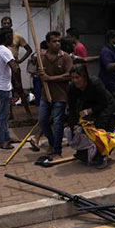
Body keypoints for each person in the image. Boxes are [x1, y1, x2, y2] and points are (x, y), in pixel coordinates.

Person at [0, 0, 33, 119]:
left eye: (8, 22)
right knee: (6, 89)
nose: (6, 24)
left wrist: (20, 60)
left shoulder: (17, 36)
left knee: (19, 88)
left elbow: (29, 50)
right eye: (4, 22)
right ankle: (9, 114)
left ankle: (28, 112)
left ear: (11, 24)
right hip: (1, 67)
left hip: (13, 66)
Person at [67, 64, 115, 168]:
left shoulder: (95, 83)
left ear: (84, 77)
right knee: (83, 128)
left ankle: (102, 155)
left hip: (105, 105)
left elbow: (104, 103)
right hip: (88, 105)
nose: (75, 80)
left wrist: (90, 111)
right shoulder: (72, 88)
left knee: (100, 128)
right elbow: (71, 109)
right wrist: (74, 125)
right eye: (72, 78)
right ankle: (85, 153)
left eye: (77, 77)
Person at [38, 31, 73, 159]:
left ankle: (57, 151)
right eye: (54, 41)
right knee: (42, 121)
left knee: (58, 122)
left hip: (61, 95)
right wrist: (40, 74)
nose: (57, 43)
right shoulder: (42, 58)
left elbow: (69, 75)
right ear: (48, 43)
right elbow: (38, 73)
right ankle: (52, 143)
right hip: (45, 94)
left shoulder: (65, 57)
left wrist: (50, 78)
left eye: (59, 41)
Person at [0, 27, 19, 149]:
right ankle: (1, 141)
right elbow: (14, 68)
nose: (13, 38)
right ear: (7, 37)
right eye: (11, 36)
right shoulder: (5, 51)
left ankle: (7, 136)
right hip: (3, 86)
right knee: (2, 115)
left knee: (4, 114)